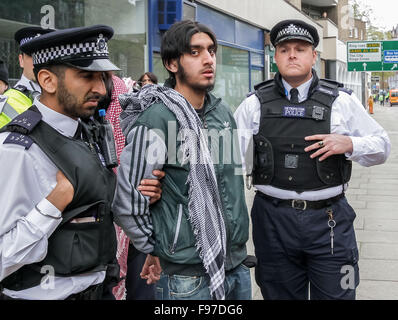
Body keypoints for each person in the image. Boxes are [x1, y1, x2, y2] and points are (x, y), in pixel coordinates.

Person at [0, 25, 162, 300]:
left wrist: (141, 193)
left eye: (102, 77)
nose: (100, 88)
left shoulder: (86, 132)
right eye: (86, 76)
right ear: (48, 80)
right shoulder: (18, 150)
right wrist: (53, 204)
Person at [234, 19, 390, 300]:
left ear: (314, 57)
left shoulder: (341, 101)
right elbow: (229, 161)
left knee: (339, 295)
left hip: (329, 222)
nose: (292, 54)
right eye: (284, 49)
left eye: (300, 49)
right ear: (275, 56)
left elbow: (382, 146)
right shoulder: (254, 104)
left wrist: (349, 143)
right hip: (272, 221)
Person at [113, 20, 252, 300]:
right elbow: (128, 200)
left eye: (211, 51)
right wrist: (155, 247)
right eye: (195, 52)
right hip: (185, 276)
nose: (208, 59)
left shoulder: (222, 113)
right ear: (172, 63)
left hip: (235, 264)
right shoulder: (157, 120)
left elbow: (232, 183)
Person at [0, 27, 54, 128]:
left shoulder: (67, 97)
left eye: (46, 54)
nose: (39, 61)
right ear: (21, 60)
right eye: (32, 55)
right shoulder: (7, 102)